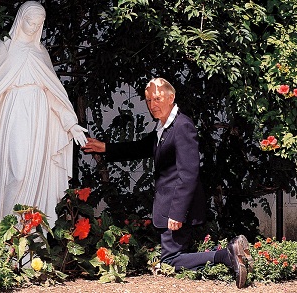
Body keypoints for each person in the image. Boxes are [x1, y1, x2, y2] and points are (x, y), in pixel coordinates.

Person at [82, 77, 253, 288]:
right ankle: (227, 256)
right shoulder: (165, 127)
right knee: (174, 259)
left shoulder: (182, 126)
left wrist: (177, 212)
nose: (152, 105)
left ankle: (226, 255)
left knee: (170, 260)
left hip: (176, 207)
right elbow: (142, 147)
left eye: (157, 99)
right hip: (170, 205)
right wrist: (105, 147)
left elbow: (189, 173)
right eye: (148, 101)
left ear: (171, 97)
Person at [0, 1, 87, 238]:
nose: (33, 27)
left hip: (40, 120)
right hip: (15, 113)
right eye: (30, 21)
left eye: (39, 24)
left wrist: (71, 123)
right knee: (17, 173)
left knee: (36, 177)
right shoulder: (5, 48)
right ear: (20, 19)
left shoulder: (41, 52)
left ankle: (29, 240)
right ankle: (6, 234)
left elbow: (54, 93)